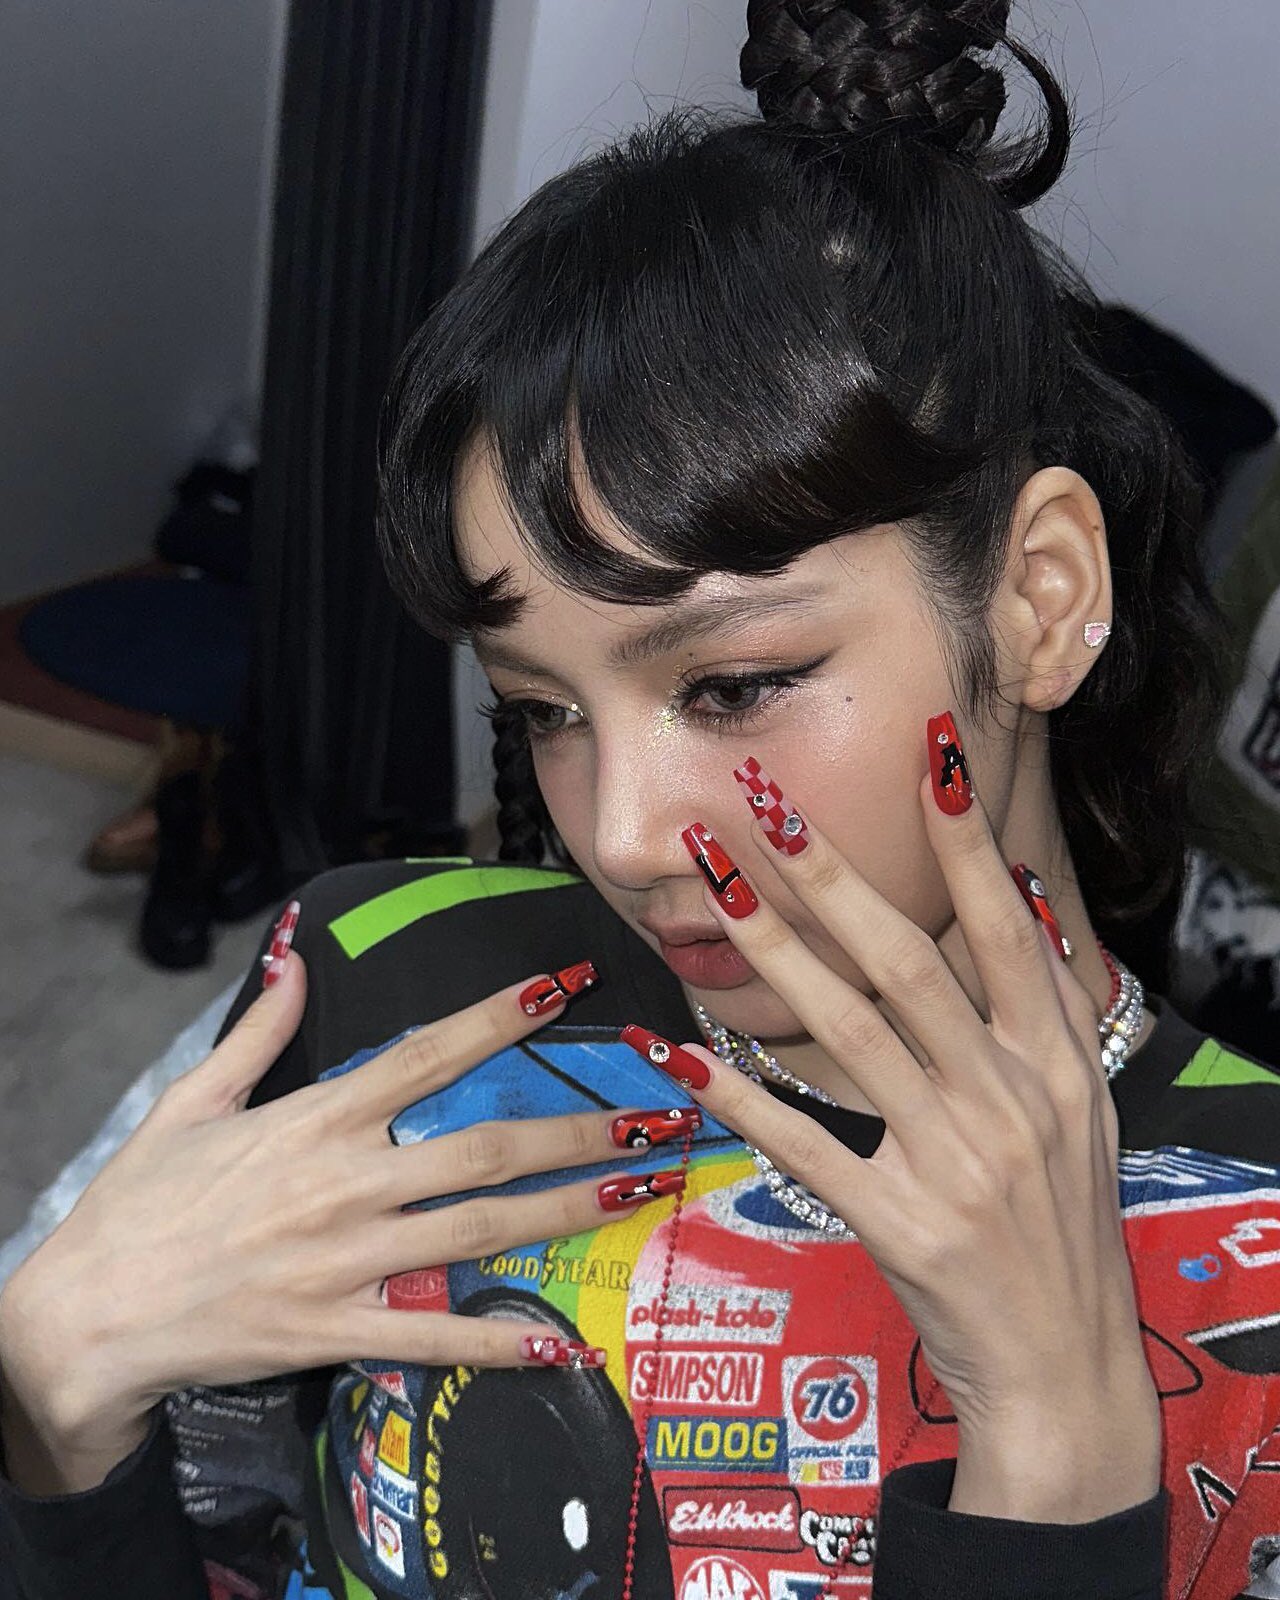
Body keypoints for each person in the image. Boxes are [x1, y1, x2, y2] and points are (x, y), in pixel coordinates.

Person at [3, 3, 1280, 1597]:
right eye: (543, 710)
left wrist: (1056, 1457)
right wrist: (57, 1423)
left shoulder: (1255, 1220)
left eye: (732, 684)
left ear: (1040, 595)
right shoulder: (372, 987)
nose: (616, 834)